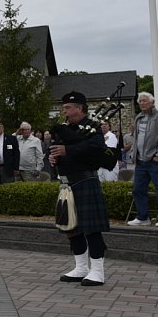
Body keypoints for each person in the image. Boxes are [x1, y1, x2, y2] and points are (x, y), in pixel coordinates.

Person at [49, 91, 111, 287]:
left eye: (68, 107)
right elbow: (57, 151)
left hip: (86, 180)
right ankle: (81, 267)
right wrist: (53, 160)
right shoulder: (63, 129)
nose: (64, 110)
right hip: (67, 182)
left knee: (91, 228)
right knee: (71, 227)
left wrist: (69, 150)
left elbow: (97, 148)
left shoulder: (94, 128)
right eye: (64, 107)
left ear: (80, 108)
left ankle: (98, 271)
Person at [127, 91, 158, 227]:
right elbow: (135, 138)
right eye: (140, 101)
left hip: (155, 161)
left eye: (144, 101)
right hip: (140, 161)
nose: (142, 103)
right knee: (138, 189)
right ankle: (143, 217)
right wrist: (133, 153)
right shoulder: (138, 118)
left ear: (152, 102)